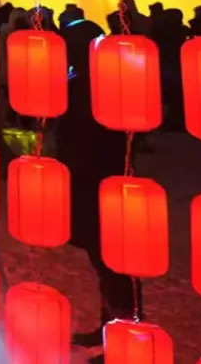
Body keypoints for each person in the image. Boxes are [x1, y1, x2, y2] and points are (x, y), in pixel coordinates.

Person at [60, 17, 136, 345]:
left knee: (113, 260)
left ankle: (123, 329)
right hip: (95, 178)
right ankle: (110, 324)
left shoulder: (92, 86)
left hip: (99, 180)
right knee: (104, 259)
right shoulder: (92, 81)